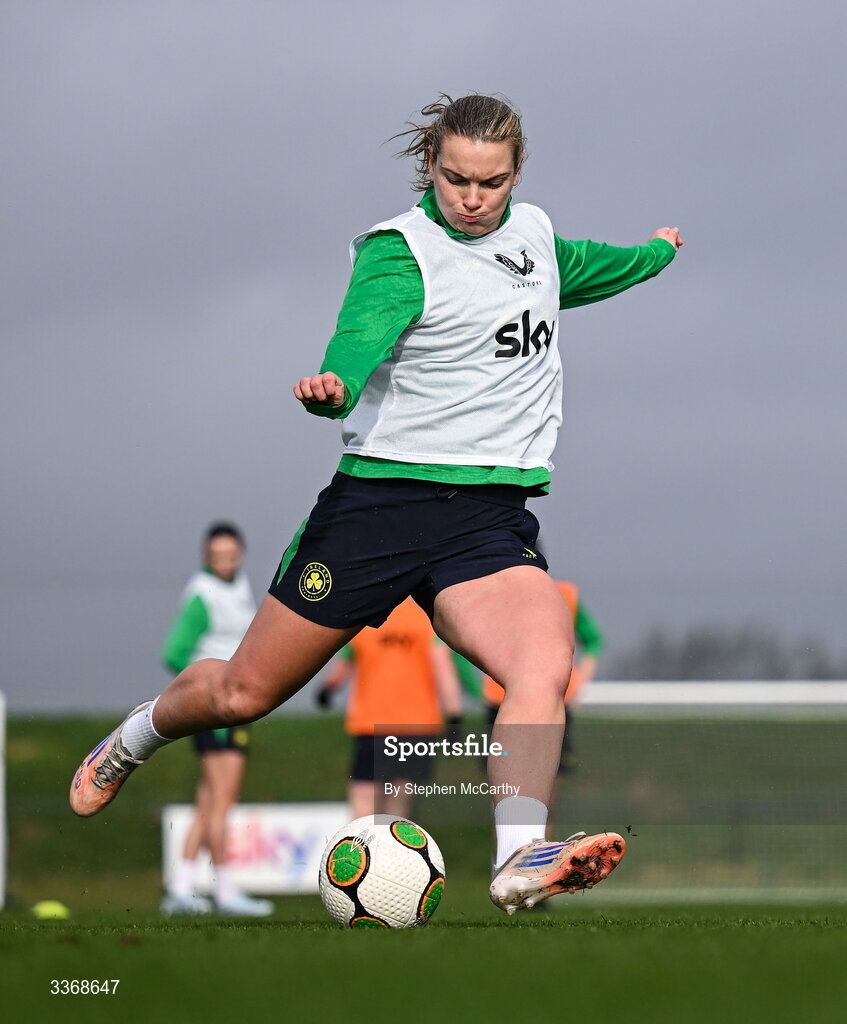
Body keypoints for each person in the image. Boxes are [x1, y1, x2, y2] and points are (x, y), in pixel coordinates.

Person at [70, 93, 682, 915]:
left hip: (487, 518)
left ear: (516, 173)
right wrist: (335, 388)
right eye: (456, 178)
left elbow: (584, 267)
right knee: (242, 695)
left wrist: (654, 252)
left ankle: (519, 856)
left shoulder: (532, 234)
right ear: (430, 165)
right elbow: (356, 341)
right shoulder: (402, 254)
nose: (472, 197)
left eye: (489, 182)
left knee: (542, 663)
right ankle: (139, 733)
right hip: (378, 510)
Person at [158, 522, 273, 917]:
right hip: (214, 712)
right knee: (222, 802)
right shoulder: (202, 595)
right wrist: (203, 694)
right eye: (217, 557)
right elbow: (175, 652)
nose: (225, 562)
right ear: (206, 556)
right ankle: (224, 891)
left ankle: (181, 888)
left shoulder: (239, 587)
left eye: (230, 555)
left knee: (209, 804)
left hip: (234, 708)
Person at [315, 596, 462, 820]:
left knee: (364, 800)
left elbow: (344, 664)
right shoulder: (426, 617)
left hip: (373, 724)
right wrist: (454, 714)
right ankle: (395, 851)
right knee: (400, 805)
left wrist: (327, 690)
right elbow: (443, 668)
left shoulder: (366, 616)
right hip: (417, 726)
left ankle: (362, 850)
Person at [482, 579, 604, 836]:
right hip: (503, 700)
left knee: (545, 797)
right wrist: (477, 688)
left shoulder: (566, 594)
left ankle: (539, 865)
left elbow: (593, 639)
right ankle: (506, 865)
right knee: (503, 802)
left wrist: (578, 681)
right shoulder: (488, 593)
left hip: (549, 700)